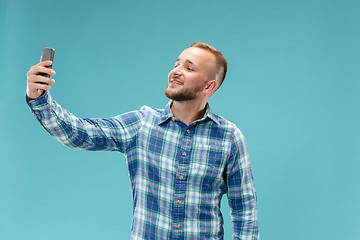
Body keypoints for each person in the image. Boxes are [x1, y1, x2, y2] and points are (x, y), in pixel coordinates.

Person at [26, 42, 259, 239]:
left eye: (189, 67)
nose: (176, 70)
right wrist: (39, 97)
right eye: (176, 63)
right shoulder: (141, 124)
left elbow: (244, 211)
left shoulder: (229, 137)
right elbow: (78, 133)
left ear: (209, 86)